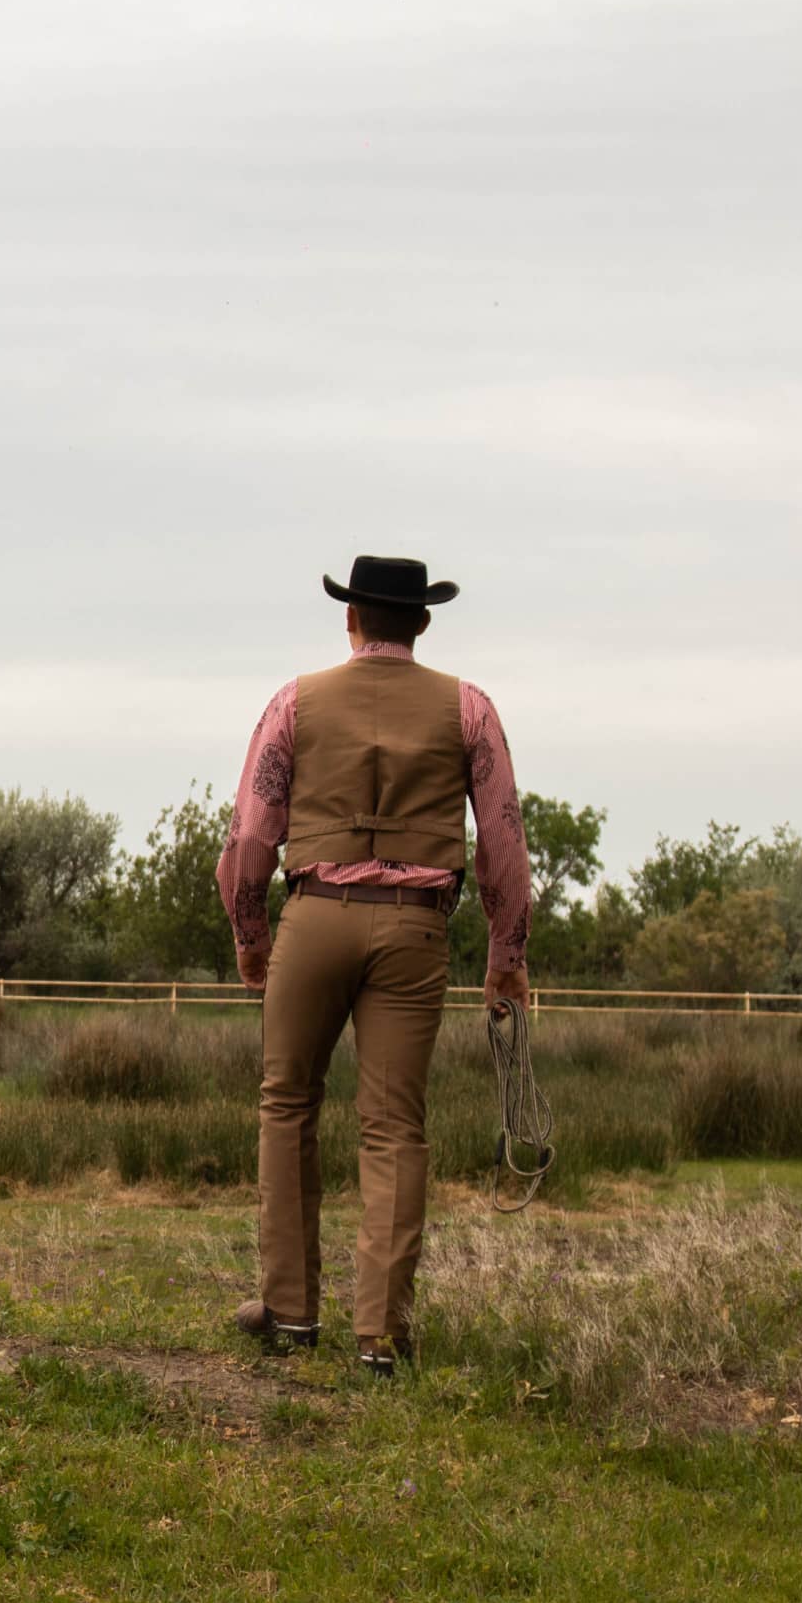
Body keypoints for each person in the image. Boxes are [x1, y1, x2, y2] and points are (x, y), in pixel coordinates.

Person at [215, 559, 531, 1377]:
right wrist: (507, 956)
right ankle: (381, 1335)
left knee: (287, 1104)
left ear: (350, 620)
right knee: (394, 1127)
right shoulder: (470, 708)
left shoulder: (295, 701)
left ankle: (288, 1310)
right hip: (416, 931)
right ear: (421, 625)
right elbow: (502, 843)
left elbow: (252, 834)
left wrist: (250, 931)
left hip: (313, 915)